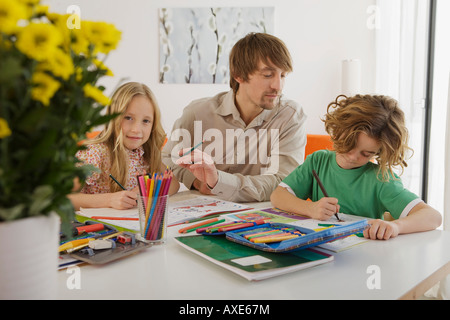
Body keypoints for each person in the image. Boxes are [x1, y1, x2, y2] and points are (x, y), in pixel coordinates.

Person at [270, 94, 442, 240]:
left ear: (379, 152)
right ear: (337, 131)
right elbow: (278, 196)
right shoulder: (318, 161)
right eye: (349, 144)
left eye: (366, 154)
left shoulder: (381, 178)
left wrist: (396, 227)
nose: (353, 157)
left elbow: (433, 217)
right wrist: (311, 208)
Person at [162, 32, 307, 202]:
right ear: (238, 75)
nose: (278, 86)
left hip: (260, 218)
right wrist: (196, 182)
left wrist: (218, 181)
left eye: (283, 75)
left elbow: (285, 182)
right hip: (204, 211)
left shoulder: (291, 116)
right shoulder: (198, 112)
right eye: (268, 75)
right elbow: (168, 157)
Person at [69, 82, 179, 210]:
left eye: (146, 121)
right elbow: (62, 199)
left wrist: (145, 192)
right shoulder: (94, 153)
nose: (136, 129)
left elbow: (173, 184)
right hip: (95, 227)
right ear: (113, 117)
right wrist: (109, 200)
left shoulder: (145, 152)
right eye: (128, 118)